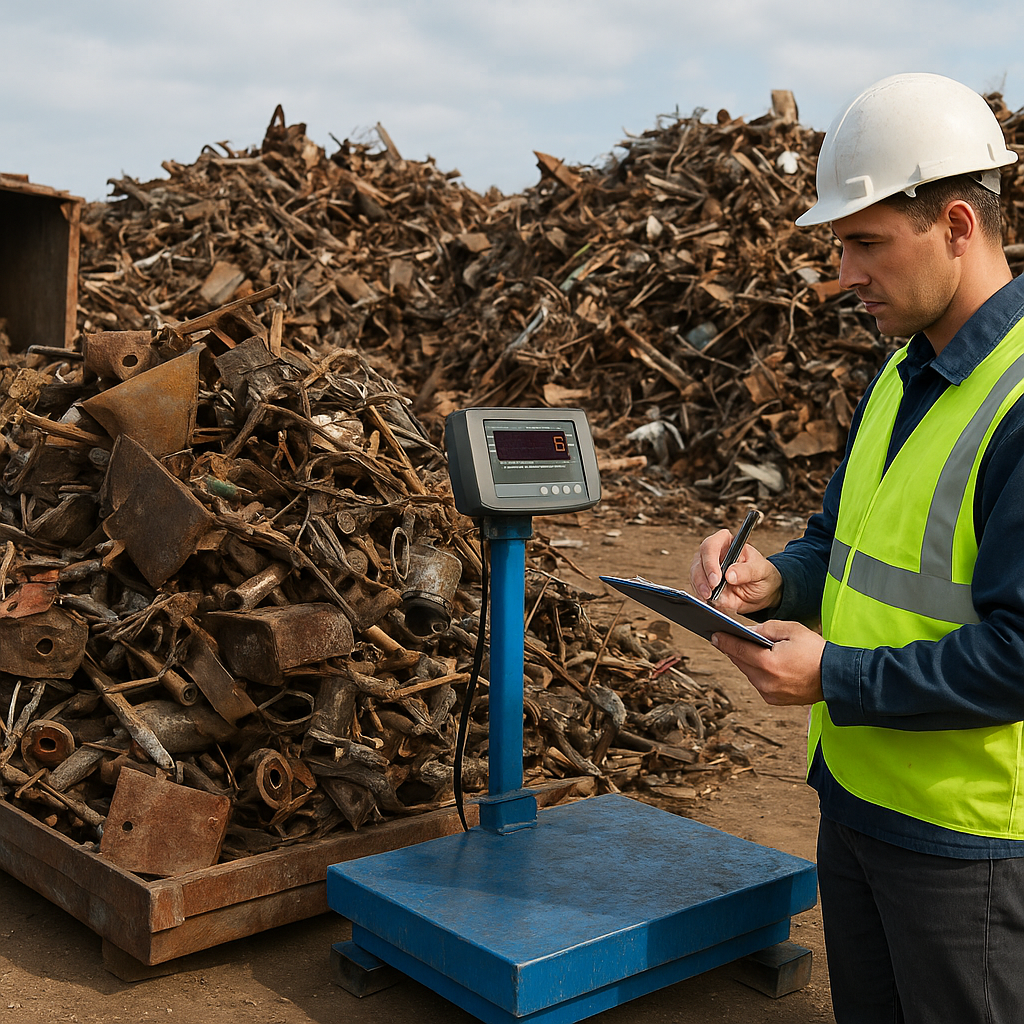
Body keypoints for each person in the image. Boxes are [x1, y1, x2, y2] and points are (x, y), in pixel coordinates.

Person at [689, 73, 1024, 1024]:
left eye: (866, 242)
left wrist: (835, 678)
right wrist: (773, 580)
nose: (842, 274)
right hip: (858, 802)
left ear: (958, 225)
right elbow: (843, 547)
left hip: (971, 845)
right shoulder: (900, 374)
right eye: (839, 245)